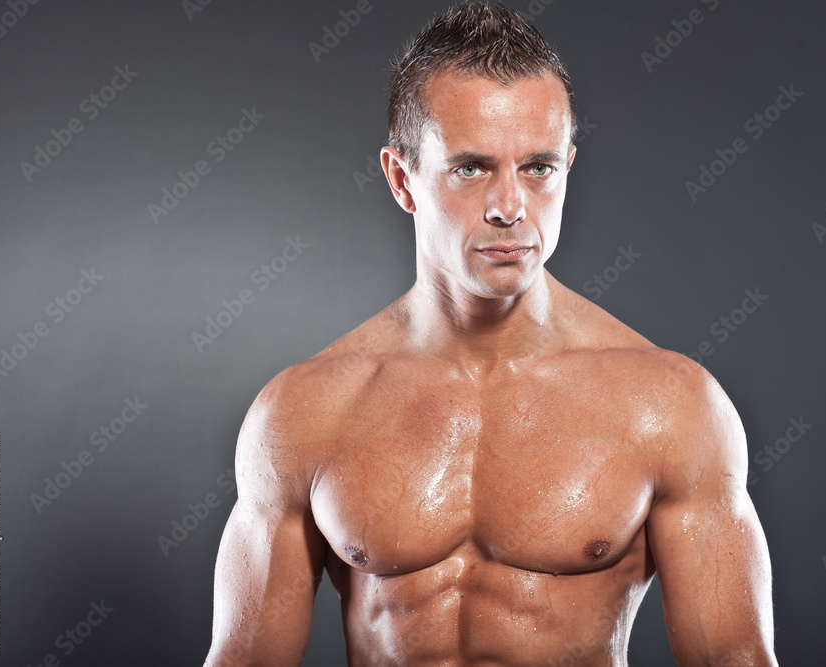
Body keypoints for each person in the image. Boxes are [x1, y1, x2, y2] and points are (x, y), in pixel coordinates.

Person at [204, 2, 778, 665]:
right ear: (402, 179)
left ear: (567, 165)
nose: (510, 207)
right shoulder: (306, 412)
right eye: (471, 167)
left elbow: (733, 658)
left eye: (538, 168)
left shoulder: (671, 406)